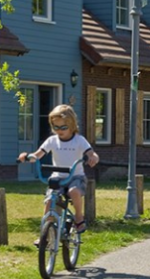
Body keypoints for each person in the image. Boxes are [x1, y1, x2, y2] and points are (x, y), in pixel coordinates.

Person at [18, 104, 99, 243]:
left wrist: (93, 157)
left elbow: (91, 153)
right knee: (50, 201)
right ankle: (46, 233)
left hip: (76, 177)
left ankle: (79, 217)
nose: (59, 131)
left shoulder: (79, 140)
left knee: (74, 192)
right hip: (57, 177)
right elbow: (37, 155)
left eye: (63, 127)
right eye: (56, 127)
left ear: (72, 125)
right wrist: (28, 156)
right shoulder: (52, 141)